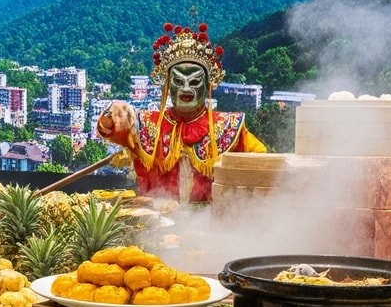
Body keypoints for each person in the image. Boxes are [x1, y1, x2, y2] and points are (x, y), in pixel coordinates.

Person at [95, 22, 265, 203]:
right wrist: (114, 112)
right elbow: (109, 129)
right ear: (168, 85)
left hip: (211, 223)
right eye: (178, 81)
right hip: (153, 221)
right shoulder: (147, 123)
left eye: (194, 82)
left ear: (208, 84)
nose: (185, 88)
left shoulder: (229, 125)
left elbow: (261, 163)